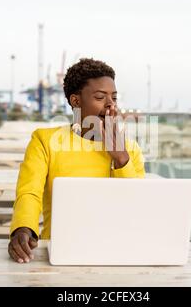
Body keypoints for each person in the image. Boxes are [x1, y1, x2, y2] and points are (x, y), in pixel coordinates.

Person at [8, 58, 145, 263]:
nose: (110, 105)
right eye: (100, 97)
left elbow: (139, 208)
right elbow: (29, 193)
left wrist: (120, 157)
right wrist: (23, 228)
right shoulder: (45, 141)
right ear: (76, 101)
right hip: (58, 250)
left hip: (117, 250)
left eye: (114, 98)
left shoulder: (129, 149)